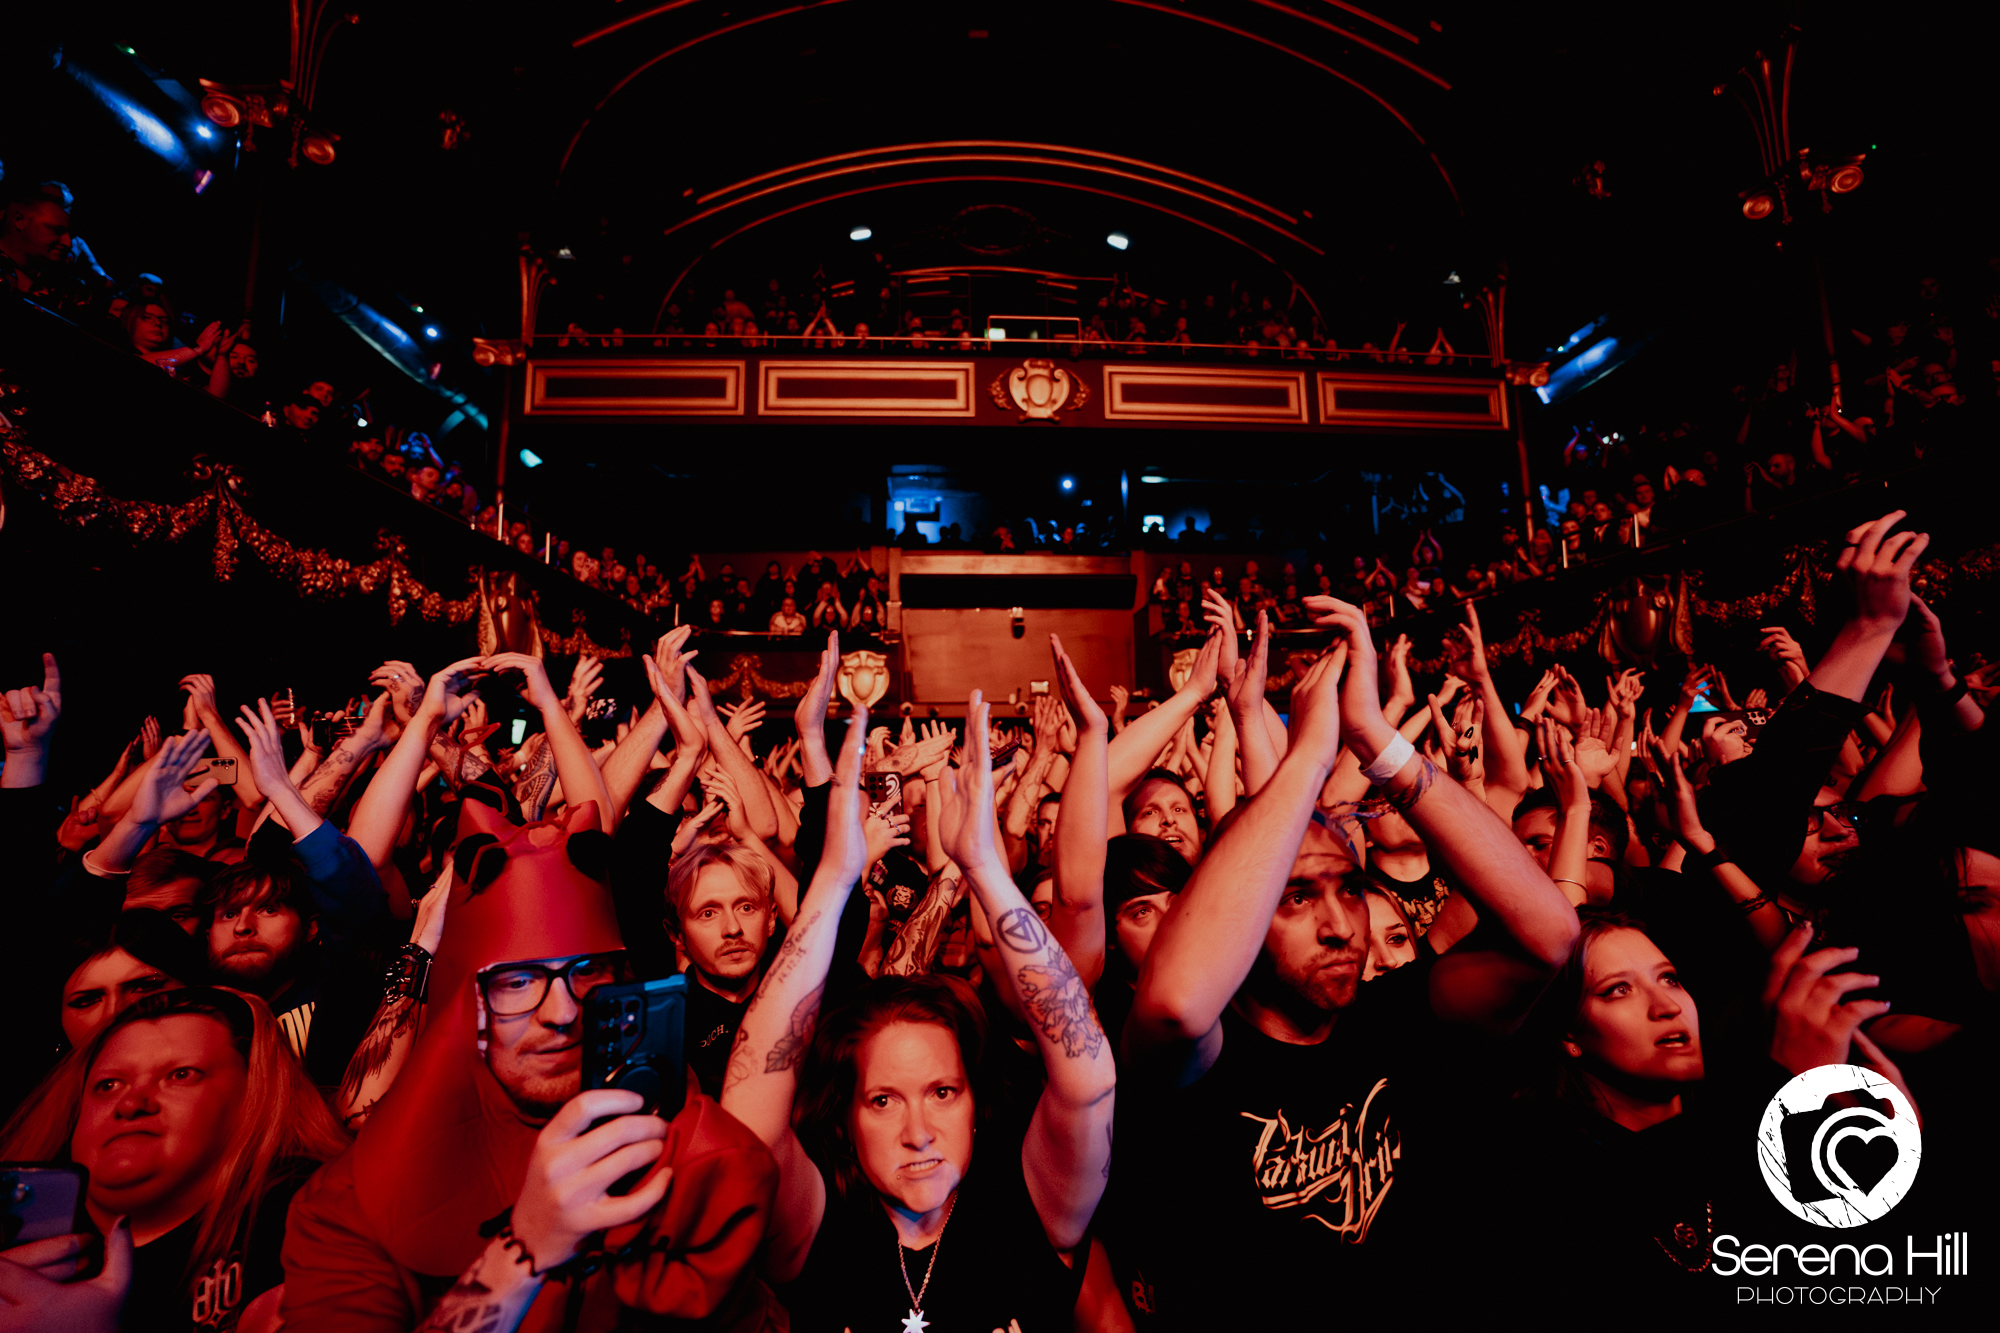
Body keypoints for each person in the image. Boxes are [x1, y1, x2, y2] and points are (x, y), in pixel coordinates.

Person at [1119, 595, 1578, 1324]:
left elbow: (1549, 934)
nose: (1340, 928)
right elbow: (1176, 1003)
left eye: (1350, 890)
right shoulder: (1198, 1058)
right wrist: (1307, 757)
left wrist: (1375, 739)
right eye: (1296, 898)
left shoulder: (1397, 1018)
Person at [279, 802, 782, 1331]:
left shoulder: (670, 1127)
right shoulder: (345, 1209)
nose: (562, 1012)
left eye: (586, 972)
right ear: (465, 1001)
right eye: (518, 982)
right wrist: (525, 1251)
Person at [722, 692, 1115, 1331]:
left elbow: (1088, 1075)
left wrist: (983, 866)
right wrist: (833, 879)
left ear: (976, 1103)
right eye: (882, 1100)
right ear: (844, 1120)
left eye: (942, 1092)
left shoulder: (1030, 1211)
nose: (919, 1132)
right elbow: (751, 1126)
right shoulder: (822, 1231)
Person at [0, 987, 350, 1332]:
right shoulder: (20, 1224)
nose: (131, 1104)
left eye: (180, 1075)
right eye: (109, 1085)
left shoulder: (305, 1220)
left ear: (254, 1097)